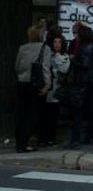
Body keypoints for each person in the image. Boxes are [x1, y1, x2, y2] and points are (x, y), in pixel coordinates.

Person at [14, 24, 52, 152]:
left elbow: (17, 66)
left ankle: (19, 142)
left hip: (22, 82)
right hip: (35, 84)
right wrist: (47, 85)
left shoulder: (22, 48)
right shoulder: (45, 49)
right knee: (32, 115)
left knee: (21, 113)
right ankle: (24, 142)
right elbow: (45, 68)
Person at [39, 35, 70, 147]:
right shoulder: (47, 55)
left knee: (54, 115)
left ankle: (51, 138)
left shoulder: (64, 56)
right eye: (55, 42)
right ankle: (43, 138)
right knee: (44, 114)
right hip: (47, 87)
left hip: (57, 88)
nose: (57, 44)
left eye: (59, 42)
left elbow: (64, 69)